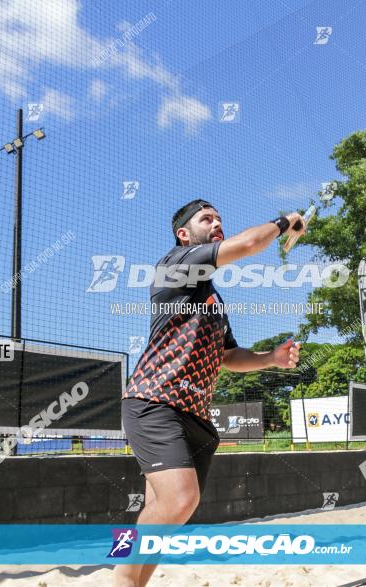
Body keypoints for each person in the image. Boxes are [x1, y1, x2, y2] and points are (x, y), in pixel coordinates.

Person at [114, 200, 305, 587]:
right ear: (185, 234)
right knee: (180, 500)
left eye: (219, 217)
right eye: (207, 219)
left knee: (164, 513)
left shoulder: (212, 299)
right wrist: (286, 222)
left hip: (194, 416)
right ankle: (118, 579)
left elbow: (228, 356)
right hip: (155, 401)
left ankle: (131, 582)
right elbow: (249, 244)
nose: (217, 222)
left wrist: (270, 358)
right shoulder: (177, 263)